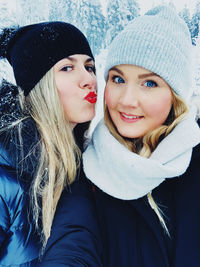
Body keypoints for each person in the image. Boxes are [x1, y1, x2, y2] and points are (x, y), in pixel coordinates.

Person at [83, 5, 200, 267]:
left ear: (175, 96)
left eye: (149, 83)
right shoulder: (84, 170)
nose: (126, 100)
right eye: (118, 79)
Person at [0, 21, 101, 266]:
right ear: (38, 85)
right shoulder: (7, 175)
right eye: (67, 67)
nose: (88, 79)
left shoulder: (86, 165)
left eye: (90, 67)